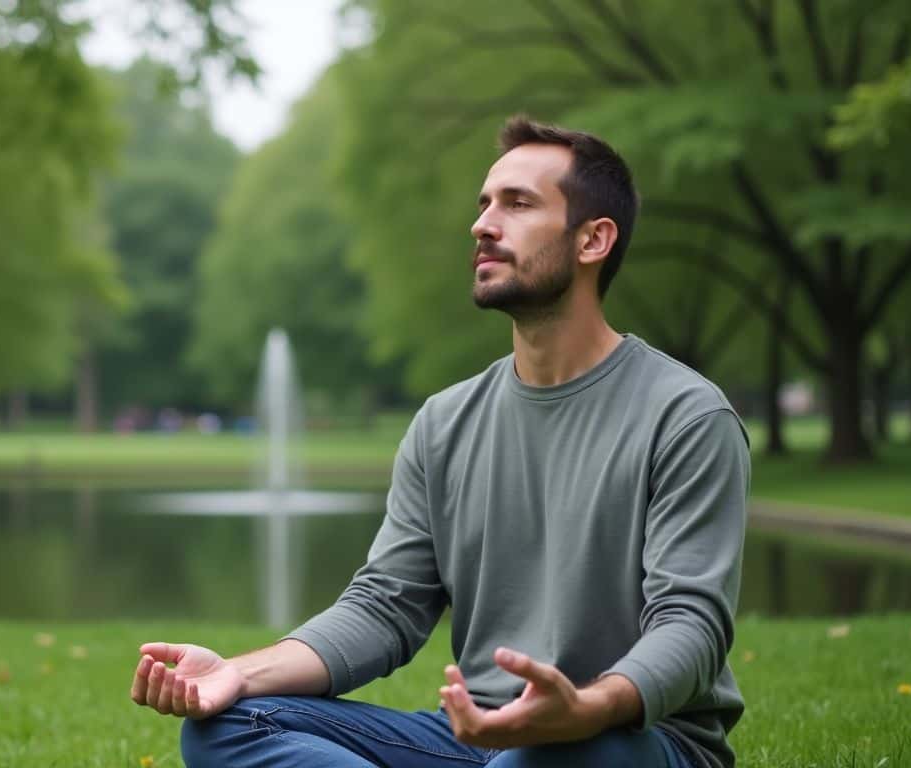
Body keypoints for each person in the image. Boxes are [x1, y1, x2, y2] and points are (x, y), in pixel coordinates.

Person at [128, 116, 749, 768]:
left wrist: (587, 708)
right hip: (477, 741)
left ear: (593, 240)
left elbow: (690, 625)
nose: (482, 224)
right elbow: (385, 607)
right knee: (228, 726)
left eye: (517, 204)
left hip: (631, 742)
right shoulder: (444, 422)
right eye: (484, 204)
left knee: (540, 757)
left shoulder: (686, 416)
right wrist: (240, 674)